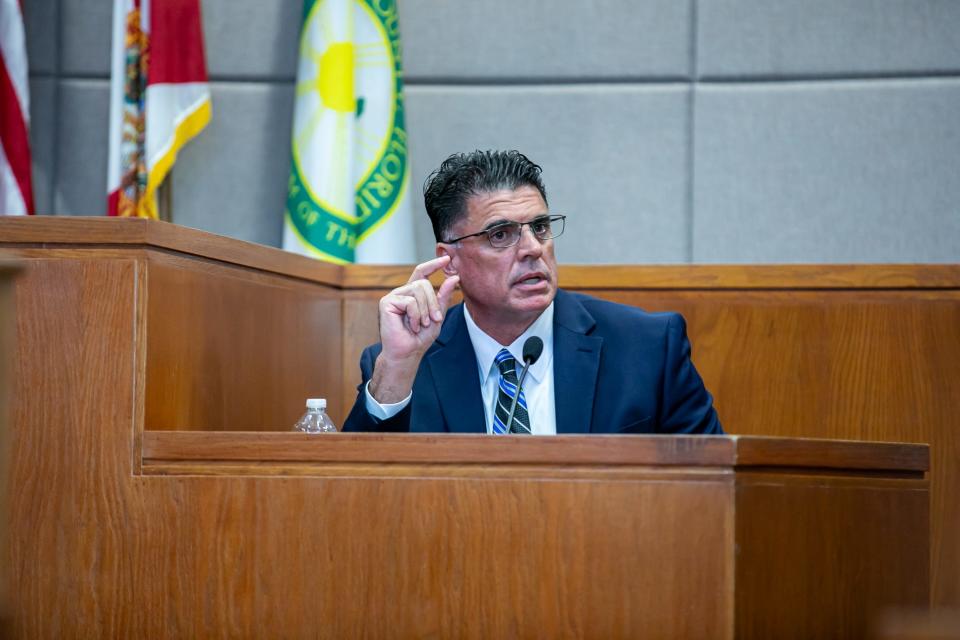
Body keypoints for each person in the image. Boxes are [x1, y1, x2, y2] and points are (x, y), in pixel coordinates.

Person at [343, 150, 722, 435]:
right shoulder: (403, 364)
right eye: (500, 235)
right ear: (450, 260)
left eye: (540, 227)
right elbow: (356, 497)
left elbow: (711, 486)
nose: (532, 248)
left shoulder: (648, 347)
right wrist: (396, 369)